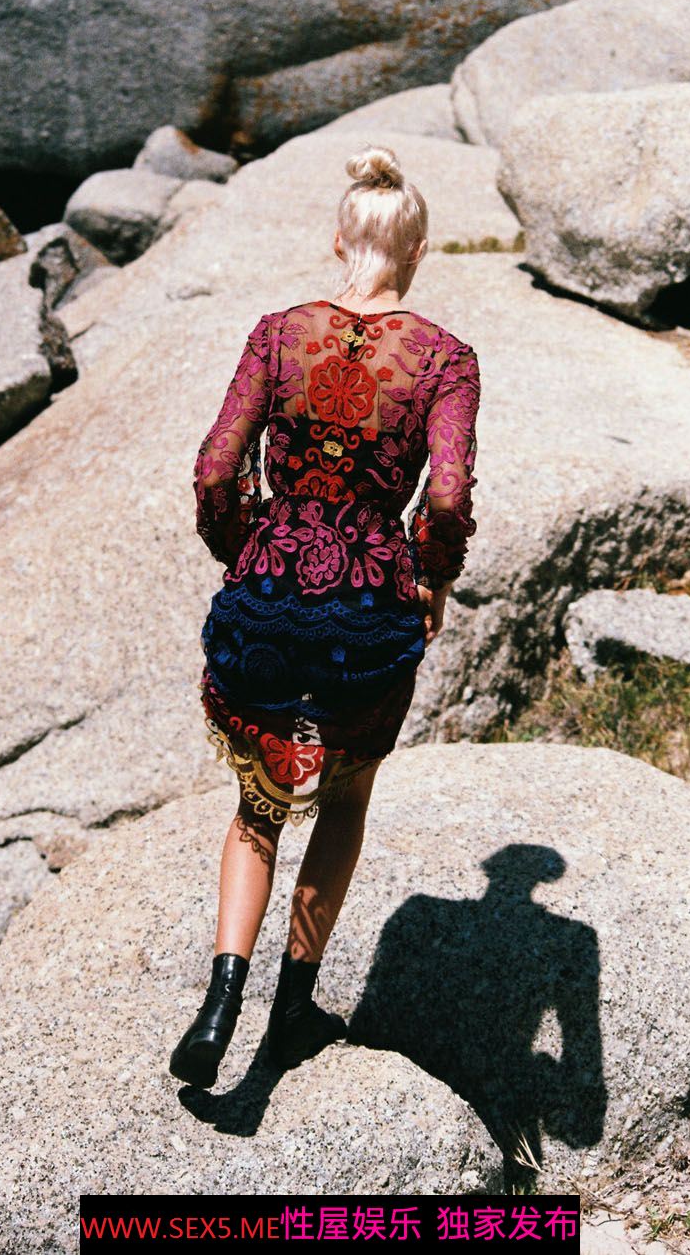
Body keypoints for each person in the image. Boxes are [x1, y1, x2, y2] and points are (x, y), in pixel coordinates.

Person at [169, 143, 481, 1087]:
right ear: (417, 250)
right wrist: (430, 576)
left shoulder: (278, 335)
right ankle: (292, 1007)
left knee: (258, 805)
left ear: (338, 240)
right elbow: (448, 495)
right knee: (343, 798)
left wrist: (247, 549)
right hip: (368, 606)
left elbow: (215, 467)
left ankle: (220, 1002)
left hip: (269, 593)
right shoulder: (444, 359)